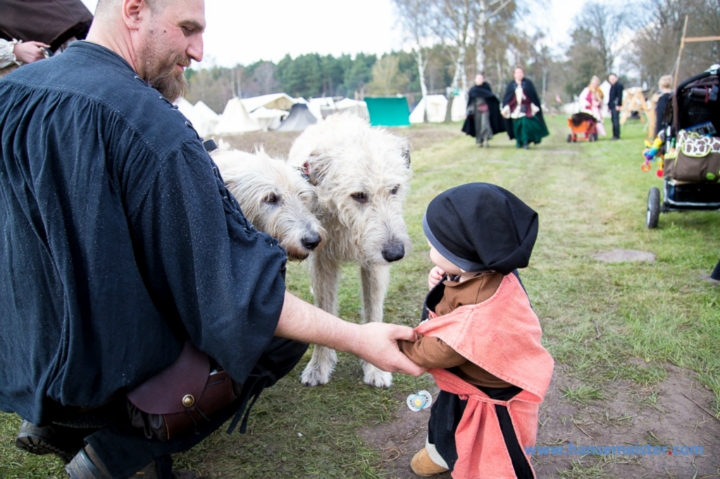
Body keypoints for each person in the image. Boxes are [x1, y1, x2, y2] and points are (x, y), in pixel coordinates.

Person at [0, 0, 424, 478]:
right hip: (108, 373)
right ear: (134, 10)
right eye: (187, 29)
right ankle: (120, 447)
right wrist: (355, 336)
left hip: (22, 361)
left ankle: (53, 421)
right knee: (276, 332)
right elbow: (234, 293)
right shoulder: (151, 126)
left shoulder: (9, 93)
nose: (198, 51)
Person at [399, 183, 554, 478]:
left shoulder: (477, 313)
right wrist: (448, 280)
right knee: (443, 418)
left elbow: (443, 348)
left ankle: (459, 459)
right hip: (466, 382)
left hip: (487, 393)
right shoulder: (491, 268)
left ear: (461, 255)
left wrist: (404, 345)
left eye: (434, 246)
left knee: (486, 445)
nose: (429, 249)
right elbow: (463, 296)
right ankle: (440, 452)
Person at [501, 66, 549, 149]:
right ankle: (519, 141)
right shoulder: (511, 85)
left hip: (526, 108)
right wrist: (505, 109)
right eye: (517, 73)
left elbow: (533, 96)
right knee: (517, 125)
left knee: (525, 123)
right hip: (514, 109)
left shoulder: (527, 83)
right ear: (514, 74)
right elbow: (508, 98)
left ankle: (526, 141)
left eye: (521, 73)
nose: (519, 74)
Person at [461, 73, 505, 147]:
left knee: (485, 124)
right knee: (478, 125)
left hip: (485, 109)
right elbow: (470, 102)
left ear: (483, 80)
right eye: (478, 79)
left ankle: (486, 139)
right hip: (476, 110)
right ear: (475, 80)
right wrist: (468, 112)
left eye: (481, 78)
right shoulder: (473, 90)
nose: (479, 80)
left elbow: (491, 97)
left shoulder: (486, 88)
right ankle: (480, 140)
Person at [608, 73, 624, 140]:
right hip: (612, 105)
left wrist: (618, 105)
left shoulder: (619, 86)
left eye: (613, 78)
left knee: (615, 121)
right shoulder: (612, 86)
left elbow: (619, 96)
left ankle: (616, 135)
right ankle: (614, 134)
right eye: (610, 79)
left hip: (616, 105)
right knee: (613, 121)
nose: (612, 80)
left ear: (616, 78)